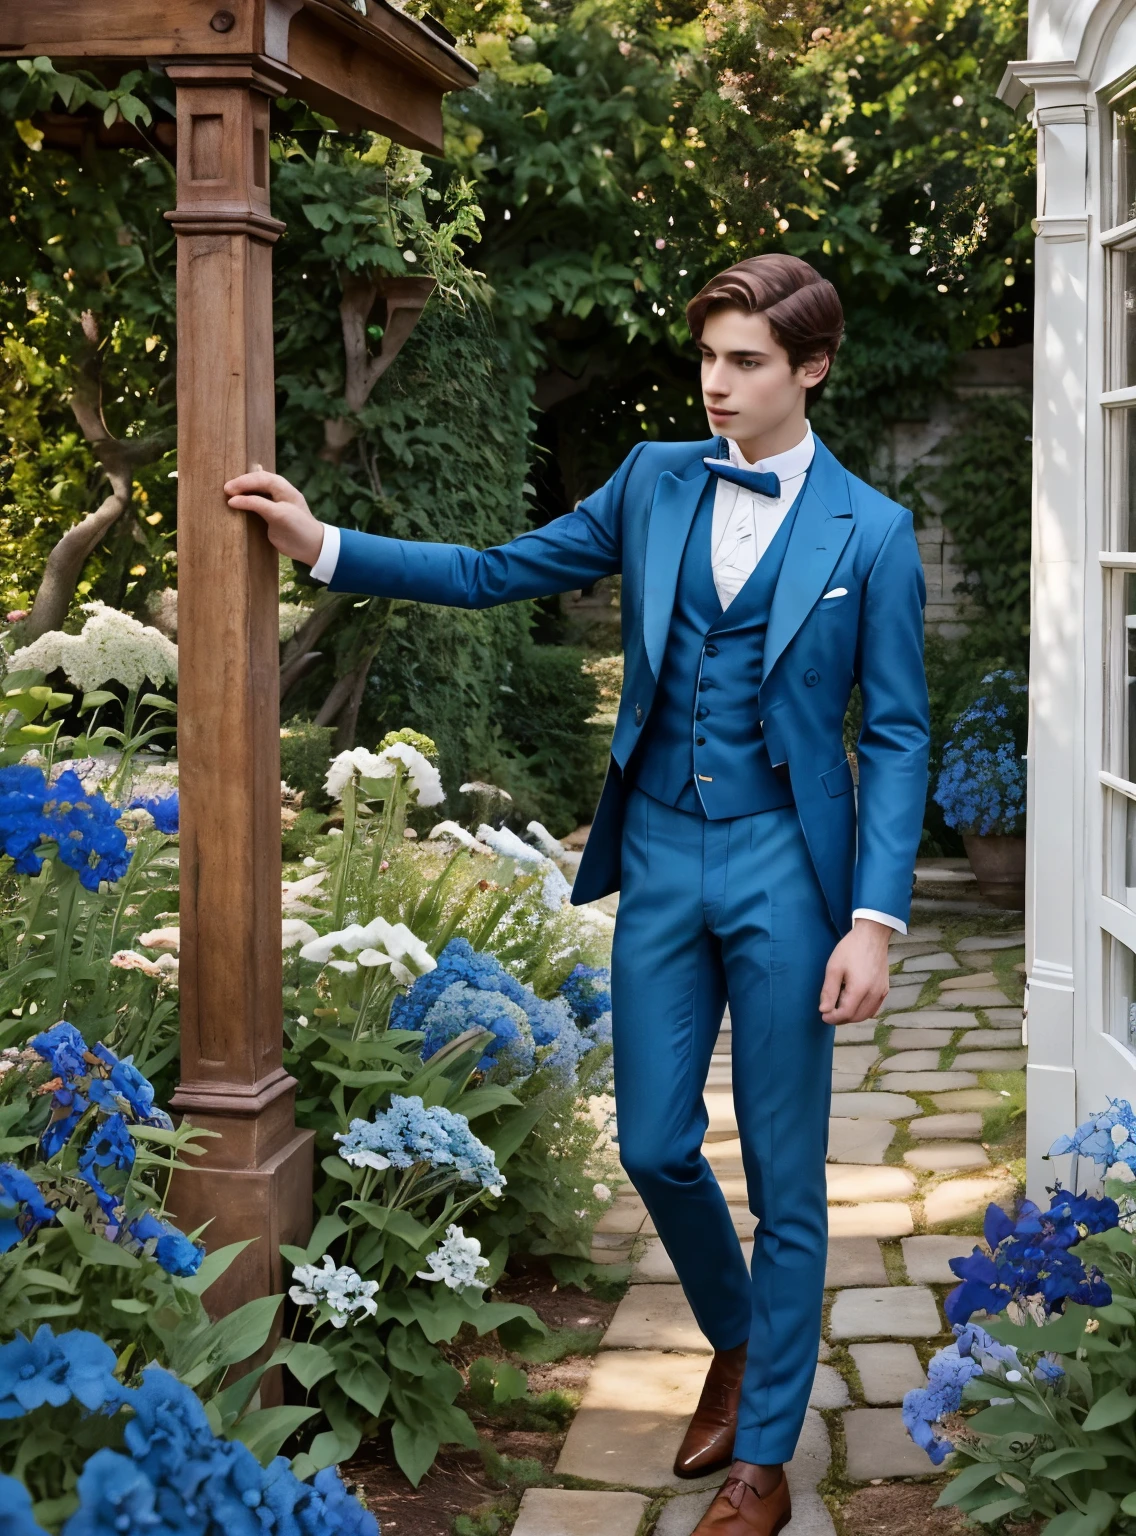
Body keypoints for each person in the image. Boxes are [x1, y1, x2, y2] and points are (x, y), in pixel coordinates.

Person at [226, 253, 929, 1536]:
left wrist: (871, 920)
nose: (715, 385)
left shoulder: (870, 533)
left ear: (809, 368)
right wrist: (322, 542)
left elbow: (892, 735)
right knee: (653, 1140)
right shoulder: (653, 480)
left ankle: (761, 1461)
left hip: (789, 866)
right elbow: (501, 568)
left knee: (785, 1174)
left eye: (745, 362)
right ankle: (739, 1339)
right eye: (707, 357)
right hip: (659, 853)